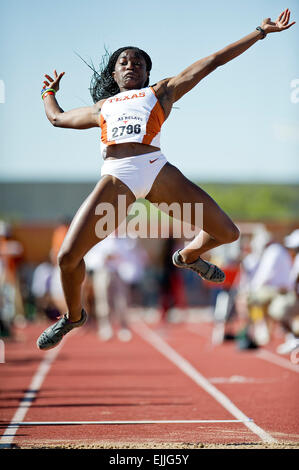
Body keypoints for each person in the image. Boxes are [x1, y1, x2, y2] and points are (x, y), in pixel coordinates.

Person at [36, 9, 295, 350]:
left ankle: (188, 257)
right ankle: (74, 317)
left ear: (147, 73)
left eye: (139, 62)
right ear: (114, 73)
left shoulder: (161, 92)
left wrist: (259, 31)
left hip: (156, 169)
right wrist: (48, 93)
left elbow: (213, 61)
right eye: (124, 62)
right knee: (67, 257)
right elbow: (56, 119)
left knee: (227, 232)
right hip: (117, 177)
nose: (131, 65)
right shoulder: (103, 108)